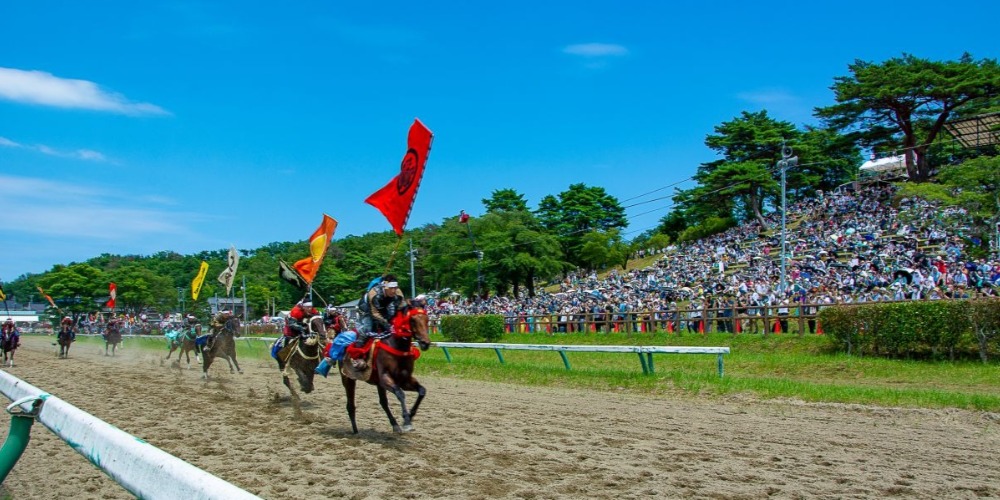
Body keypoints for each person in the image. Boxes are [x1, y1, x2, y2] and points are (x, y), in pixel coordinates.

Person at [354, 273, 405, 349]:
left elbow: (402, 308)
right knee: (367, 329)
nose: (393, 291)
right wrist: (387, 325)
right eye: (391, 288)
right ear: (385, 287)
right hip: (367, 309)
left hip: (385, 308)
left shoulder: (398, 293)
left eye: (395, 288)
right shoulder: (374, 294)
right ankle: (358, 349)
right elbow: (375, 313)